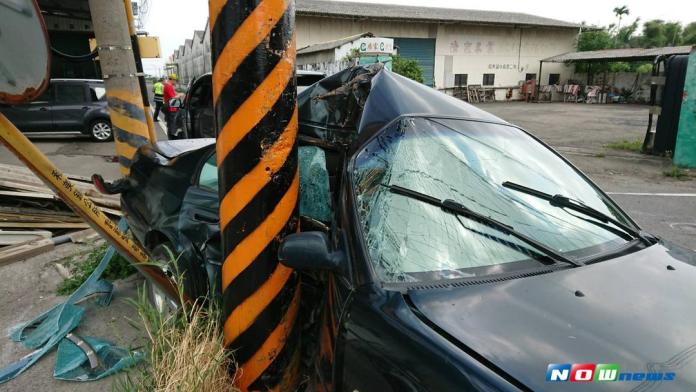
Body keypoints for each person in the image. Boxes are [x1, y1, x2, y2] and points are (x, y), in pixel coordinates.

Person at [163, 74, 183, 139]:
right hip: (170, 106)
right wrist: (180, 95)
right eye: (175, 80)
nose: (176, 82)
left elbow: (174, 93)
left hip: (168, 105)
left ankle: (171, 135)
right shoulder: (169, 86)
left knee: (170, 121)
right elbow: (173, 97)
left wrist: (179, 93)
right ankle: (173, 136)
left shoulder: (168, 85)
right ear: (172, 80)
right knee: (173, 120)